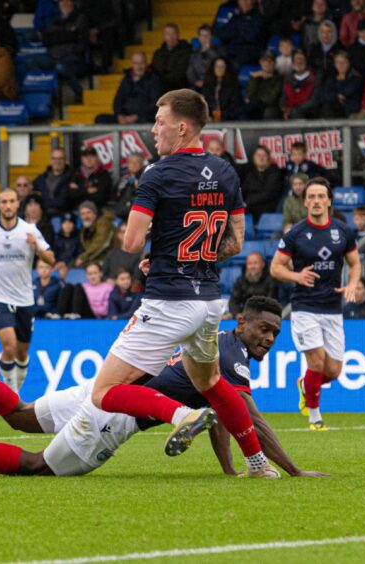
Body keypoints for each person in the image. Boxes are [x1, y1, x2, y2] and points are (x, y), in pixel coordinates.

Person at [0, 298, 325, 478]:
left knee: (21, 416)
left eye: (275, 333)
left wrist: (227, 469)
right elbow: (249, 419)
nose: (269, 339)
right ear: (241, 324)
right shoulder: (232, 357)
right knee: (36, 466)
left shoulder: (218, 349)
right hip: (118, 411)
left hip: (107, 384)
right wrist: (294, 469)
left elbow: (222, 415)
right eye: (264, 330)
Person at [88, 89, 278, 477]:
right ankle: (257, 464)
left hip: (168, 302)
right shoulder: (225, 171)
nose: (154, 129)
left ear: (182, 126)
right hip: (209, 301)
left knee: (103, 393)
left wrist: (158, 241)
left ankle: (182, 416)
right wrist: (179, 253)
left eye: (160, 121)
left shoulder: (157, 174)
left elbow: (129, 242)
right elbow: (235, 241)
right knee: (210, 381)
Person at [270, 177, 361, 431]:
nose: (317, 201)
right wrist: (296, 276)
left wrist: (352, 284)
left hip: (332, 308)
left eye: (322, 196)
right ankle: (315, 416)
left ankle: (305, 385)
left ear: (329, 201)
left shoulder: (343, 231)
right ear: (305, 201)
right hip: (304, 306)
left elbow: (355, 264)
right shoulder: (296, 234)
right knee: (317, 362)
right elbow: (276, 267)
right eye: (312, 197)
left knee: (333, 371)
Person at [0, 189, 54, 392]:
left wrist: (37, 248)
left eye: (11, 201)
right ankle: (11, 395)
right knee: (9, 346)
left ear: (17, 204)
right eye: (3, 201)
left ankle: (16, 388)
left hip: (24, 298)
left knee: (22, 353)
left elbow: (51, 259)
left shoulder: (29, 230)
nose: (7, 205)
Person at [95, 51, 163, 125]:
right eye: (136, 63)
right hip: (124, 117)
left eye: (141, 63)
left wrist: (136, 117)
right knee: (99, 118)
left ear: (146, 63)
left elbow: (154, 104)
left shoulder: (154, 79)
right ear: (132, 65)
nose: (139, 66)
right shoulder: (126, 79)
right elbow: (117, 101)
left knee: (148, 120)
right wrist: (120, 116)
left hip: (142, 118)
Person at [41, 0, 88, 100]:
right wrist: (68, 34)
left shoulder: (80, 18)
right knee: (32, 62)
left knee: (60, 66)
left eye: (66, 1)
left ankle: (79, 92)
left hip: (74, 57)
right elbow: (47, 40)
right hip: (54, 55)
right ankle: (46, 97)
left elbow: (79, 42)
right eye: (61, 2)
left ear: (72, 3)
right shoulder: (55, 20)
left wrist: (60, 37)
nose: (63, 4)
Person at [233, 51, 284, 121]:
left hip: (269, 106)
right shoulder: (255, 77)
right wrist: (254, 78)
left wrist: (257, 101)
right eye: (264, 61)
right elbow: (249, 94)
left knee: (265, 111)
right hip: (253, 106)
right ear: (261, 62)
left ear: (274, 64)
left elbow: (272, 97)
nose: (267, 64)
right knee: (242, 114)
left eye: (270, 61)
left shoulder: (279, 79)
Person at [240, 146, 284, 223]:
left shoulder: (274, 171)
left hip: (267, 209)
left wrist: (247, 202)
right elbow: (244, 190)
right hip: (249, 208)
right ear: (254, 158)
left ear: (268, 158)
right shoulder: (250, 172)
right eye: (258, 155)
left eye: (264, 156)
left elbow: (268, 194)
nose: (261, 158)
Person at [229, 252, 279, 317]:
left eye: (255, 263)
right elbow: (233, 302)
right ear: (246, 265)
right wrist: (237, 314)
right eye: (250, 263)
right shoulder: (240, 280)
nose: (252, 266)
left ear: (263, 264)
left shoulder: (270, 281)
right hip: (245, 316)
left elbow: (271, 302)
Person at [218, 0, 265, 66]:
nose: (244, 2)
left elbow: (250, 37)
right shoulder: (235, 16)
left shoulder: (257, 17)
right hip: (231, 49)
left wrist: (234, 32)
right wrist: (239, 31)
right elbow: (222, 34)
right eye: (242, 0)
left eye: (247, 0)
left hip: (249, 51)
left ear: (253, 1)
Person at [321, 51, 363, 117]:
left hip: (350, 109)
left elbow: (347, 92)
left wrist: (335, 95)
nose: (341, 64)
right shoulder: (331, 79)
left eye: (344, 62)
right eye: (338, 62)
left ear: (349, 63)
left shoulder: (356, 78)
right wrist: (338, 96)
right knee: (327, 107)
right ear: (334, 65)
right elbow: (326, 95)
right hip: (333, 109)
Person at [34, 149, 75, 216]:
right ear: (50, 160)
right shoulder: (42, 177)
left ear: (65, 160)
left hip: (63, 216)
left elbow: (63, 202)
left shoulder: (73, 177)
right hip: (43, 215)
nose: (57, 161)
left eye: (60, 158)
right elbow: (32, 192)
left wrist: (43, 200)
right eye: (54, 158)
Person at [74, 201, 116, 267]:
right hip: (96, 260)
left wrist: (83, 257)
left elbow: (100, 243)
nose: (86, 216)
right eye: (83, 214)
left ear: (95, 214)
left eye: (88, 213)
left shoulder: (103, 222)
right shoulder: (84, 231)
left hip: (112, 259)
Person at [152, 23, 192, 92]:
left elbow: (180, 73)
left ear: (178, 34)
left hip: (178, 87)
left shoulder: (186, 51)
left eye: (173, 34)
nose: (170, 37)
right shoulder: (158, 53)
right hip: (159, 87)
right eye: (168, 34)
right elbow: (154, 70)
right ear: (164, 36)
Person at [281, 50, 320, 119]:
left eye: (301, 59)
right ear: (292, 63)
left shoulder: (315, 77)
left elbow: (314, 100)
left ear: (306, 61)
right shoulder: (288, 78)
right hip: (291, 108)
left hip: (309, 110)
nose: (299, 62)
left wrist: (295, 108)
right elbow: (284, 97)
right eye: (296, 59)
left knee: (296, 111)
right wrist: (285, 108)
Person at [187, 24, 225, 90]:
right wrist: (196, 81)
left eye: (207, 35)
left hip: (214, 84)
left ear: (211, 37)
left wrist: (208, 50)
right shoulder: (194, 53)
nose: (205, 38)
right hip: (198, 84)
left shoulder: (219, 50)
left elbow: (219, 63)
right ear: (199, 38)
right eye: (202, 35)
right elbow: (190, 71)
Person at [202, 57, 240, 121]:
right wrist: (209, 115)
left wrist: (222, 115)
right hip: (210, 119)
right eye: (217, 66)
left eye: (222, 66)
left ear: (226, 68)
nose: (220, 69)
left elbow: (234, 105)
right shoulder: (207, 85)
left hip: (228, 119)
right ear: (213, 68)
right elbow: (205, 103)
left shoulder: (233, 85)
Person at [110, 154, 145, 219]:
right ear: (128, 164)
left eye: (137, 162)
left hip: (134, 213)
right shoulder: (123, 178)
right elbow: (113, 195)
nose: (134, 164)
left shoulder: (145, 178)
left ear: (142, 164)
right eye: (131, 162)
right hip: (118, 210)